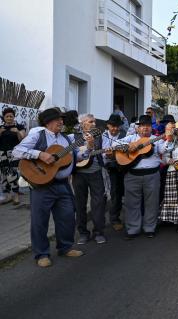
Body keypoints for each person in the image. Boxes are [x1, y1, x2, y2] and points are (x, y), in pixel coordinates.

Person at [13, 108, 90, 267]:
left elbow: (77, 157)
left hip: (63, 185)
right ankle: (41, 254)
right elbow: (17, 151)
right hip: (42, 185)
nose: (61, 122)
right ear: (48, 122)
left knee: (67, 217)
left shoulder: (67, 140)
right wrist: (40, 155)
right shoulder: (38, 135)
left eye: (62, 120)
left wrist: (88, 148)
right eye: (57, 120)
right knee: (40, 221)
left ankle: (65, 247)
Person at [117, 115, 166, 239]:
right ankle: (132, 229)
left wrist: (169, 139)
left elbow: (162, 150)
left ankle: (150, 228)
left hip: (152, 175)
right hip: (132, 175)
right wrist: (128, 147)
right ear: (138, 128)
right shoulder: (130, 138)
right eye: (143, 126)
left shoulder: (156, 139)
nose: (145, 128)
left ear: (151, 128)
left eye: (148, 126)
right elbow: (116, 145)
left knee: (152, 203)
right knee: (131, 203)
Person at [71, 114, 107, 245]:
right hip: (78, 173)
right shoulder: (73, 137)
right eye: (91, 121)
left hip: (96, 172)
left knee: (98, 203)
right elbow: (71, 154)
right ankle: (83, 233)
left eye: (95, 121)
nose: (94, 124)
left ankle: (99, 232)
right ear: (82, 123)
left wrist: (108, 152)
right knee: (80, 204)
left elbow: (105, 151)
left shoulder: (100, 135)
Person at [102, 114, 126, 231]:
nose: (115, 129)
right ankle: (112, 219)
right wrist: (106, 154)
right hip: (106, 168)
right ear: (108, 125)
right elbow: (98, 151)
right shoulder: (102, 136)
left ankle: (119, 218)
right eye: (112, 126)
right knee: (112, 193)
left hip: (121, 167)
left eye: (117, 126)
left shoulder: (124, 135)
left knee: (120, 192)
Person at [0, 108, 26, 205]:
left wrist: (17, 132)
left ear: (14, 117)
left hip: (14, 153)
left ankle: (15, 195)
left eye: (11, 116)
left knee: (12, 174)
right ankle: (8, 196)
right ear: (4, 117)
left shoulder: (19, 126)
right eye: (7, 116)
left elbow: (23, 139)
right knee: (3, 175)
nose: (9, 118)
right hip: (2, 154)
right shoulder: (1, 127)